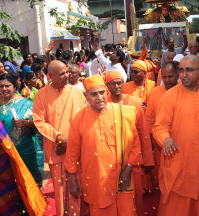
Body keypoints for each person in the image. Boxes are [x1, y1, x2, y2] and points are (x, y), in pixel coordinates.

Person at [65, 75, 142, 216]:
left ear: (107, 91)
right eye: (93, 94)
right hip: (96, 178)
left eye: (102, 92)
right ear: (86, 96)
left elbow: (136, 145)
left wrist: (128, 169)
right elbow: (72, 151)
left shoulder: (124, 113)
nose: (99, 97)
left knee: (126, 210)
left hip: (122, 176)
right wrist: (72, 179)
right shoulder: (79, 118)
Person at [153, 55, 199, 216]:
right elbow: (159, 126)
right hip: (178, 162)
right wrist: (165, 139)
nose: (184, 75)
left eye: (189, 70)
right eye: (181, 70)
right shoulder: (170, 96)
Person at [33, 60, 87, 215]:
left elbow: (83, 119)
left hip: (76, 147)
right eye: (62, 73)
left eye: (67, 72)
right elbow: (38, 121)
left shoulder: (76, 92)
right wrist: (58, 137)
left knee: (78, 184)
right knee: (60, 187)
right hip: (55, 148)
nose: (67, 75)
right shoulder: (42, 94)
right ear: (50, 76)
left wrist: (70, 141)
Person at [105, 70, 154, 216]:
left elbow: (143, 132)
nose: (117, 86)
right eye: (113, 83)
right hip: (111, 157)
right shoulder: (104, 102)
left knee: (135, 192)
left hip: (133, 154)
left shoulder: (135, 102)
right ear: (107, 85)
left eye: (119, 82)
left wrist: (146, 158)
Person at [0, 73, 42, 186]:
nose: (4, 89)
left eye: (7, 86)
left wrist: (26, 123)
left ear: (15, 87)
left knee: (27, 183)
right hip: (1, 152)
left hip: (24, 151)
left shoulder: (27, 104)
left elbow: (40, 124)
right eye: (1, 86)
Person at [146, 62, 179, 187]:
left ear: (177, 75)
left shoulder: (183, 91)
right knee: (163, 177)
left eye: (170, 76)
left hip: (179, 142)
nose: (167, 80)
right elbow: (149, 118)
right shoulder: (155, 92)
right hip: (160, 141)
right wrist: (149, 140)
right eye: (164, 77)